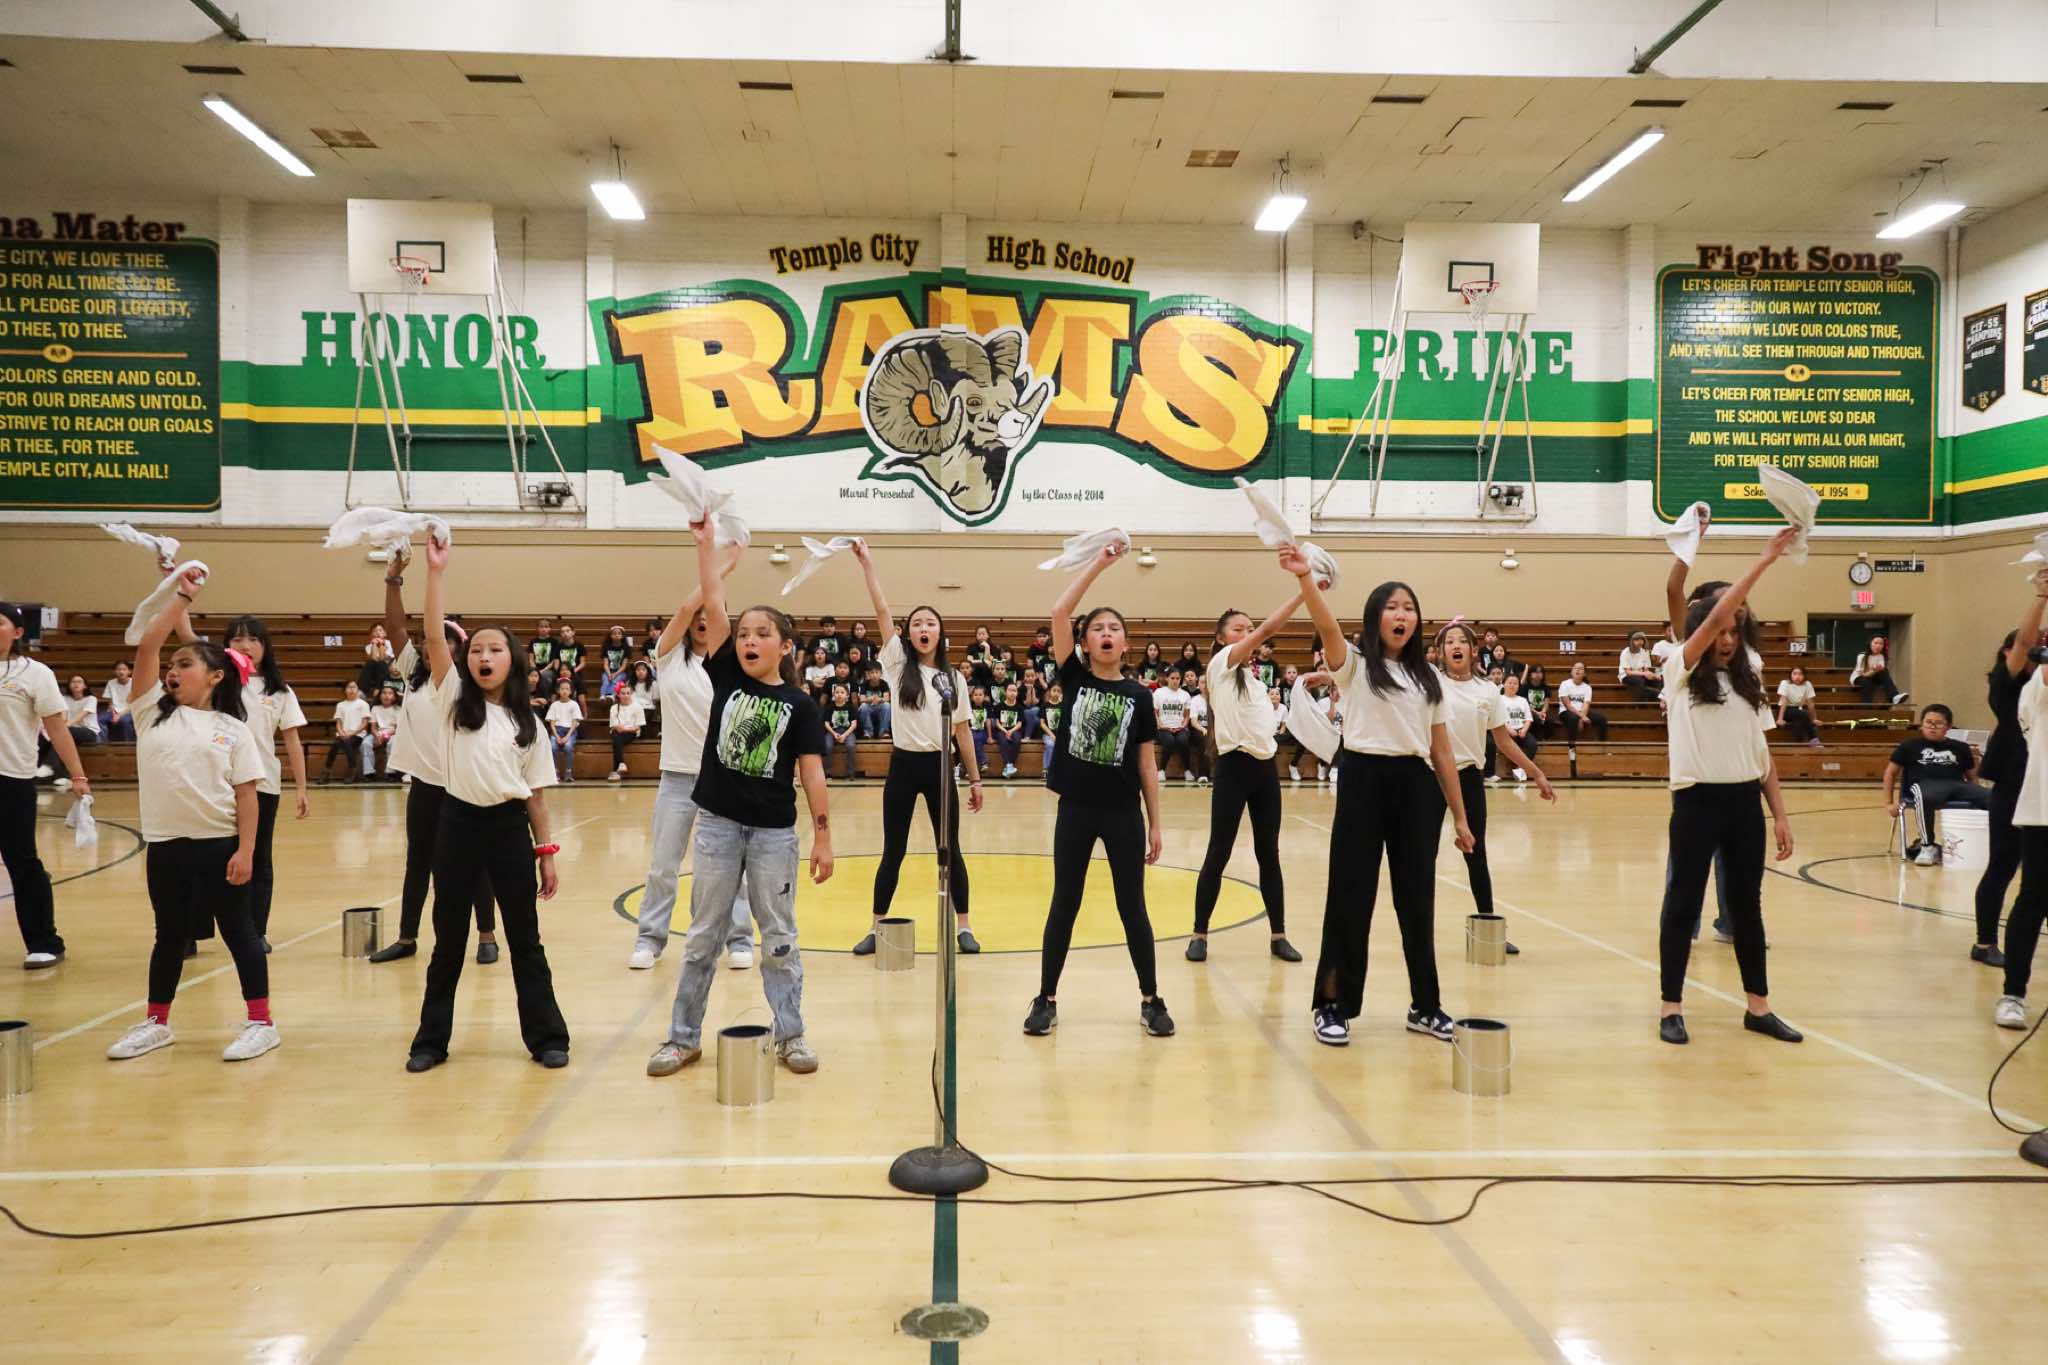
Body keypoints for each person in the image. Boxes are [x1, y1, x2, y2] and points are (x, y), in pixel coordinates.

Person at [646, 520, 831, 1079]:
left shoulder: (801, 705)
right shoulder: (725, 674)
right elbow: (712, 599)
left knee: (779, 938)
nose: (748, 641)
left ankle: (791, 1035)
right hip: (719, 827)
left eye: (761, 634)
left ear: (784, 646)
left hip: (774, 835)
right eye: (743, 633)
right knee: (703, 936)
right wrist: (708, 548)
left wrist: (823, 837)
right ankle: (682, 1039)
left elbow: (813, 773)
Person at [1294, 554, 1474, 1047]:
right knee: (1350, 896)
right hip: (1362, 779)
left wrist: (1460, 818)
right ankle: (1333, 1004)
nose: (1402, 615)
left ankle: (1425, 1005)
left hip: (1415, 788)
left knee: (1417, 900)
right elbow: (1325, 624)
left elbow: (1442, 752)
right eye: (1392, 607)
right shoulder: (1354, 665)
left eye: (1409, 608)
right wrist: (1305, 576)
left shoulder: (1429, 679)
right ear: (1376, 617)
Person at [405, 536, 569, 1072]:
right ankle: (430, 1042)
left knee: (526, 939)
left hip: (507, 830)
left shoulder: (530, 724)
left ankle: (547, 1037)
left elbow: (536, 797)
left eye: (494, 649)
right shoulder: (453, 699)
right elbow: (434, 636)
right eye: (476, 649)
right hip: (456, 826)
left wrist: (545, 853)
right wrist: (435, 572)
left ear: (512, 660)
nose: (483, 656)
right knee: (448, 939)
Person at [105, 571, 278, 1062]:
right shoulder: (150, 713)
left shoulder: (233, 730)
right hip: (165, 846)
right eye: (171, 665)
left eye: (185, 663)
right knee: (169, 935)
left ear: (216, 676)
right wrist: (180, 596)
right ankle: (157, 1023)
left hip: (219, 847)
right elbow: (148, 644)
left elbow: (248, 797)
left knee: (240, 933)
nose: (172, 670)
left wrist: (246, 851)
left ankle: (261, 1022)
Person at [1656, 528, 1803, 1048]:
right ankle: (1672, 1007)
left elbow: (1763, 758)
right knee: (1682, 904)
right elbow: (1711, 609)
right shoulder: (1677, 670)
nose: (1727, 639)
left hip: (1744, 805)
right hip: (1696, 802)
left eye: (1734, 633)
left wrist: (1780, 814)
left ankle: (1758, 1007)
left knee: (1747, 909)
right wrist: (1764, 560)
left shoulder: (1749, 682)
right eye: (1719, 630)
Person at [1025, 539, 1172, 1039]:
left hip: (1123, 814)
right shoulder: (1074, 678)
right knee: (1064, 902)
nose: (1106, 634)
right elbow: (1058, 611)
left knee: (1133, 907)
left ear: (1126, 644)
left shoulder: (1140, 696)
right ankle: (1046, 998)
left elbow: (1147, 764)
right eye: (1097, 629)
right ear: (1085, 643)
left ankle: (1151, 999)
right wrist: (1099, 564)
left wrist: (1156, 824)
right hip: (1076, 810)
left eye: (1114, 629)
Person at [628, 541, 758, 973]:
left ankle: (738, 938)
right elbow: (686, 608)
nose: (702, 619)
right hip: (677, 779)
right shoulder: (668, 658)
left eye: (711, 612)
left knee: (725, 867)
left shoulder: (735, 667)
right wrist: (722, 568)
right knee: (664, 865)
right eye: (697, 614)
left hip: (724, 780)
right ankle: (650, 938)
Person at [847, 541, 983, 953]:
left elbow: (962, 733)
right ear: (909, 633)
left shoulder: (954, 679)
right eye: (918, 623)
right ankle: (876, 928)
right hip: (903, 767)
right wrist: (868, 565)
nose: (924, 629)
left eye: (931, 623)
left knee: (950, 849)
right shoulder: (896, 665)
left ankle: (964, 928)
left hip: (941, 767)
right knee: (894, 851)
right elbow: (881, 610)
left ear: (940, 632)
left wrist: (976, 780)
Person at [369, 553, 500, 967]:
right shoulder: (413, 675)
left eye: (444, 641)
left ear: (457, 650)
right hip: (425, 787)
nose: (432, 646)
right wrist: (393, 579)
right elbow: (395, 628)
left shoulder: (463, 684)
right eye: (429, 640)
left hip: (464, 786)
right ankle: (407, 937)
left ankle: (487, 935)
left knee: (475, 864)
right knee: (418, 863)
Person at [1188, 584, 1308, 965]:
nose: (1247, 633)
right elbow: (1268, 630)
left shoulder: (1256, 683)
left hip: (1264, 771)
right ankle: (1199, 934)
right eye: (1238, 629)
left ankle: (1279, 936)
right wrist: (1304, 592)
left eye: (1249, 629)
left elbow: (1265, 728)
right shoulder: (1220, 665)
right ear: (1221, 638)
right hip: (1232, 768)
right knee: (1218, 852)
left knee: (1269, 854)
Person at [1435, 621, 1555, 956]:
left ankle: (1488, 927)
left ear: (1474, 651)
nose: (1455, 646)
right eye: (1448, 642)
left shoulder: (1488, 691)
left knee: (1476, 852)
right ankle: (1419, 934)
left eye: (1461, 641)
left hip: (1470, 777)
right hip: (1431, 777)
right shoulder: (1432, 683)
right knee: (1423, 855)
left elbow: (1503, 741)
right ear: (1441, 651)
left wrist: (1536, 773)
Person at [0, 601, 91, 969]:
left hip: (12, 780)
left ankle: (44, 941)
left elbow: (56, 729)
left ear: (18, 632)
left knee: (22, 861)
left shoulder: (35, 674)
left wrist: (78, 775)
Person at [224, 616, 311, 952]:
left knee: (259, 859)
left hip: (263, 785)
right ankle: (197, 930)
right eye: (237, 639)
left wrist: (301, 788)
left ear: (265, 646)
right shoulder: (217, 682)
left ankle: (255, 931)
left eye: (254, 639)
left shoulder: (280, 691)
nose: (246, 646)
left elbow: (292, 741)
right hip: (219, 785)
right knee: (213, 858)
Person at [1979, 574, 2047, 978]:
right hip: (2014, 781)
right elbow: (2023, 642)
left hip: (2041, 785)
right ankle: (1985, 941)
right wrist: (2041, 596)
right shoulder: (2007, 686)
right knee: (2003, 865)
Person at [1994, 576, 2048, 1027]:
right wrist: (2043, 595)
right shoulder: (2032, 690)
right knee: (2031, 898)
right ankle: (2013, 992)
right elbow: (2026, 646)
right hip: (2039, 808)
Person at [1884, 704, 1990, 866]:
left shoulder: (1960, 747)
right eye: (1928, 722)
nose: (1932, 726)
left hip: (1956, 785)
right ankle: (1927, 847)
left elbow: (1971, 777)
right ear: (1921, 724)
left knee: (1993, 797)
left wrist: (1977, 793)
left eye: (1939, 723)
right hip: (1924, 786)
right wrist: (1888, 802)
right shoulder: (1909, 746)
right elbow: (1890, 773)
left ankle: (1998, 844)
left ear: (1948, 727)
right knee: (1924, 795)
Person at [322, 680, 373, 783]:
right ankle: (327, 772)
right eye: (349, 687)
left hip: (358, 734)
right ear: (345, 690)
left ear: (358, 690)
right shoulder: (340, 705)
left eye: (354, 687)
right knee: (335, 745)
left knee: (346, 742)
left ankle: (351, 771)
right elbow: (338, 723)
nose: (352, 690)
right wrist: (341, 732)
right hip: (343, 734)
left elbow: (364, 724)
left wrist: (351, 733)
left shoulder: (363, 704)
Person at [1152, 668, 1194, 782]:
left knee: (1183, 740)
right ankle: (1161, 770)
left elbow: (1187, 715)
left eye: (1177, 678)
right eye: (1172, 678)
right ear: (1167, 678)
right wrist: (1160, 725)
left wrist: (1183, 726)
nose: (1175, 681)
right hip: (1163, 728)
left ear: (1181, 679)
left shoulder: (1185, 694)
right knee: (1169, 741)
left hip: (1180, 728)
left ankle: (1187, 770)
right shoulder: (1159, 693)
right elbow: (1154, 713)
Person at [1556, 660, 1610, 745]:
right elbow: (1568, 705)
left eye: (1580, 668)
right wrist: (1582, 717)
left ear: (1584, 674)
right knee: (1573, 718)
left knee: (1602, 719)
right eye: (1575, 668)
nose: (1577, 670)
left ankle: (1602, 745)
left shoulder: (1587, 687)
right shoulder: (1564, 684)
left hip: (1582, 712)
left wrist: (1581, 719)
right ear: (1571, 671)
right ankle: (1571, 746)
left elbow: (1586, 704)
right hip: (1566, 712)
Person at [1852, 635, 1907, 707]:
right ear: (1870, 643)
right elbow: (1863, 674)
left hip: (1873, 676)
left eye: (1881, 644)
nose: (1878, 646)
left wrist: (1876, 670)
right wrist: (1874, 670)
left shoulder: (1881, 656)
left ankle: (1894, 696)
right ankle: (1867, 706)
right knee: (1867, 682)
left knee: (1884, 671)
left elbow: (1881, 672)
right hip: (1859, 677)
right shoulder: (1862, 656)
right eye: (1875, 643)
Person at [545, 677, 582, 783]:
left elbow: (575, 722)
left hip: (570, 731)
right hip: (557, 730)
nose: (564, 691)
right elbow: (552, 723)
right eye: (562, 689)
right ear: (558, 691)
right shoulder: (554, 705)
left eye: (567, 689)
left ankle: (568, 772)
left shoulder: (574, 704)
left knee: (568, 746)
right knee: (553, 747)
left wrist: (567, 736)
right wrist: (557, 736)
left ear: (571, 691)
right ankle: (555, 772)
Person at [608, 679, 646, 781]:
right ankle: (621, 765)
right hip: (618, 732)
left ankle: (616, 769)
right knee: (616, 736)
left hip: (631, 732)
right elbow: (613, 725)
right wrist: (618, 728)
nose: (626, 696)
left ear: (631, 694)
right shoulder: (614, 708)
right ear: (618, 695)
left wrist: (624, 729)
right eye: (623, 693)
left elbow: (638, 727)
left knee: (616, 740)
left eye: (628, 693)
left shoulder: (638, 707)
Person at [1776, 666, 1822, 746]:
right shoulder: (1785, 683)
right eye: (1794, 674)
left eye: (1800, 674)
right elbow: (1784, 702)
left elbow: (1810, 703)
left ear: (1804, 676)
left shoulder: (1807, 684)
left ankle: (1797, 745)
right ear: (1790, 675)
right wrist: (1780, 719)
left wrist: (1814, 719)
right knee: (1804, 714)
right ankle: (1814, 740)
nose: (1797, 676)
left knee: (1799, 722)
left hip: (1798, 710)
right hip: (1785, 710)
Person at [823, 682, 860, 780]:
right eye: (837, 692)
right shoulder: (830, 707)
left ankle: (850, 772)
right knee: (827, 746)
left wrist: (844, 735)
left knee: (850, 746)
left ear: (847, 695)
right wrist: (834, 733)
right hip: (832, 731)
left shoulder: (850, 707)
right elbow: (826, 723)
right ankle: (828, 772)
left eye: (842, 692)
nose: (839, 694)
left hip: (847, 731)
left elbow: (854, 724)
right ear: (833, 695)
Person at [992, 682, 1025, 779]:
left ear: (1017, 693)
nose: (1012, 693)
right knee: (1003, 741)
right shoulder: (999, 706)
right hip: (1001, 730)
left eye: (1014, 690)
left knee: (1017, 741)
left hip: (1014, 730)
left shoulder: (1019, 707)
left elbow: (1019, 723)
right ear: (1005, 692)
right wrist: (1005, 731)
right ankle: (1009, 766)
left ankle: (1009, 765)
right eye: (1010, 690)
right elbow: (997, 723)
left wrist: (1011, 731)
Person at [369, 684, 401, 779]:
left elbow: (397, 728)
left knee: (392, 744)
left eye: (390, 693)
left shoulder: (398, 709)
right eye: (384, 693)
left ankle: (390, 772)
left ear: (394, 697)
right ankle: (369, 772)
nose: (386, 696)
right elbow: (373, 727)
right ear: (379, 696)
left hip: (392, 733)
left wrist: (385, 735)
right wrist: (377, 735)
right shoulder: (375, 708)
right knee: (366, 744)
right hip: (378, 732)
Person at [1618, 631, 1659, 701]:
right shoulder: (1625, 652)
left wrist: (1653, 675)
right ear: (1631, 641)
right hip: (1626, 676)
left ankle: (1657, 698)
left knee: (1657, 681)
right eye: (1637, 640)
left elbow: (1646, 669)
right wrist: (1644, 673)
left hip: (1641, 674)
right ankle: (1653, 696)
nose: (1640, 642)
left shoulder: (1645, 651)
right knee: (1639, 681)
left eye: (1641, 639)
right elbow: (1628, 672)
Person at [62, 675, 100, 747]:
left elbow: (82, 715)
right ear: (69, 686)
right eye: (73, 682)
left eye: (79, 682)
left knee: (63, 732)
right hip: (69, 730)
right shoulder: (64, 698)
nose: (76, 684)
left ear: (85, 686)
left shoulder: (91, 699)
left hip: (88, 731)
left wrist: (65, 726)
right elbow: (63, 716)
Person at [103, 659, 136, 741]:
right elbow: (110, 704)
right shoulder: (111, 683)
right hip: (114, 711)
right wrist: (114, 714)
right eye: (118, 669)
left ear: (129, 671)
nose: (121, 672)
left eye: (124, 669)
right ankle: (102, 744)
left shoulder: (135, 683)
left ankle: (128, 745)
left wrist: (119, 715)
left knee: (124, 721)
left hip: (130, 711)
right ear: (115, 672)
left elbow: (133, 705)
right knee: (100, 720)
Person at [599, 625, 632, 699]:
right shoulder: (606, 647)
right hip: (608, 671)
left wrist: (615, 674)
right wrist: (609, 674)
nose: (617, 635)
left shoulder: (626, 648)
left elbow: (624, 666)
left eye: (619, 633)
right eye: (614, 633)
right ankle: (602, 695)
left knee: (616, 680)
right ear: (610, 635)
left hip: (621, 672)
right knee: (605, 680)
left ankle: (611, 695)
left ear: (622, 636)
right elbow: (605, 664)